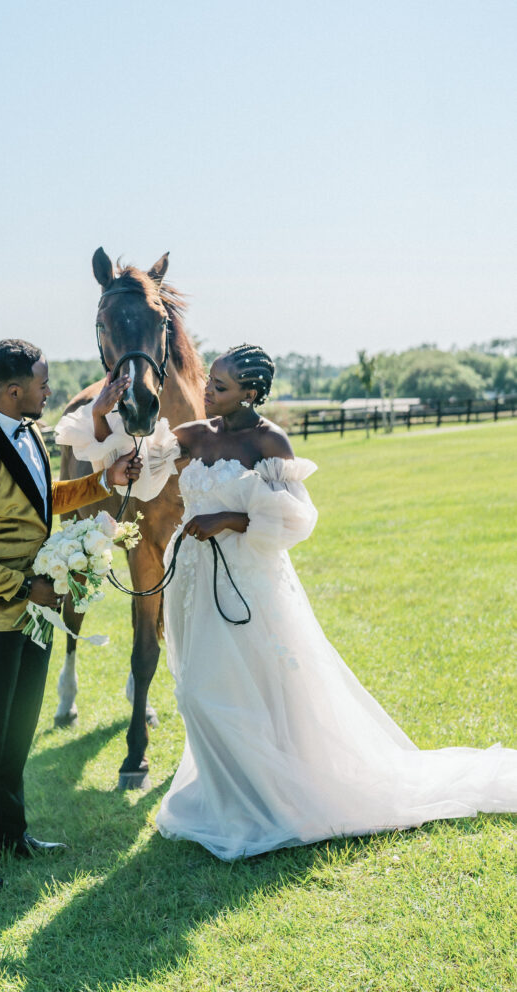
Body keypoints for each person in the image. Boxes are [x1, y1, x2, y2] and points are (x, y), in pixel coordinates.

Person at [55, 342, 517, 861]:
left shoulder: (268, 441)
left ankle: (271, 799)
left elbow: (295, 520)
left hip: (251, 582)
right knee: (198, 691)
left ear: (250, 393)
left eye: (221, 387)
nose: (207, 392)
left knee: (256, 689)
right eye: (209, 382)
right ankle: (226, 796)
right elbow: (133, 467)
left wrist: (227, 519)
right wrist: (99, 418)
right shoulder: (190, 436)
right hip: (193, 585)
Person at [0, 338, 142, 889]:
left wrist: (104, 481)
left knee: (20, 728)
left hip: (34, 612)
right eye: (43, 384)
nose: (51, 391)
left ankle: (10, 834)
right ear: (13, 390)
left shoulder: (29, 432)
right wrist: (26, 588)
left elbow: (39, 498)